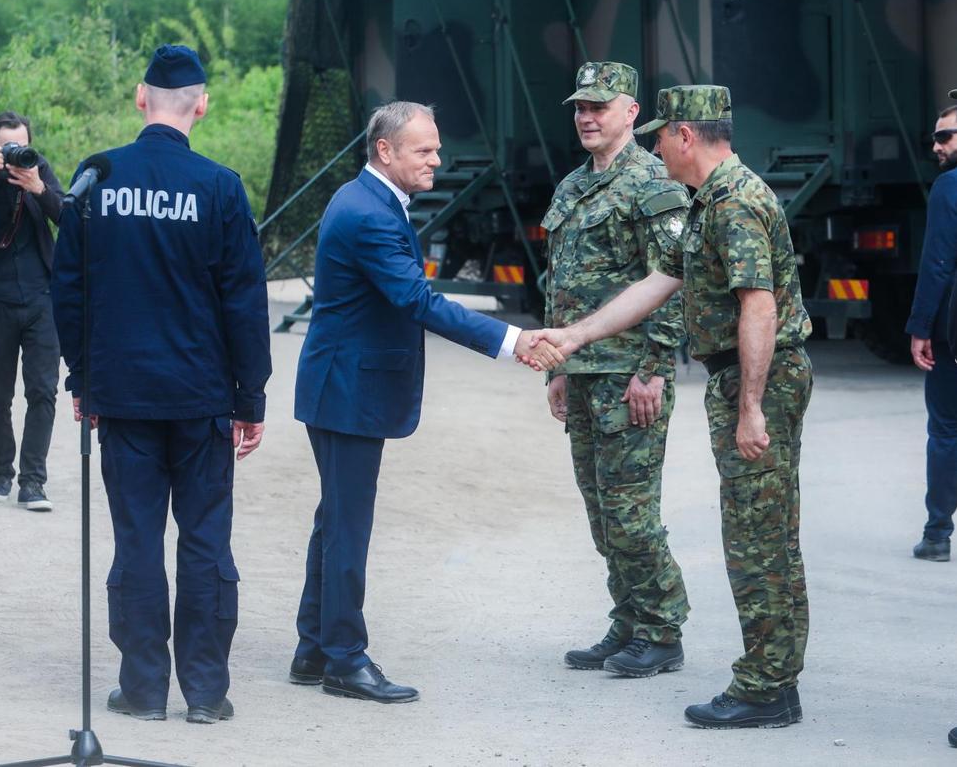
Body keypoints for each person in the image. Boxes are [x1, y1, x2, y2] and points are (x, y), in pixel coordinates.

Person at [529, 85, 812, 729]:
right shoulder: (711, 199)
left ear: (686, 135)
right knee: (753, 538)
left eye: (662, 135)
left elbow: (759, 306)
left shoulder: (736, 201)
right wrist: (574, 340)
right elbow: (661, 283)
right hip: (725, 376)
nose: (656, 147)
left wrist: (752, 407)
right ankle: (767, 679)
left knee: (759, 543)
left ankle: (767, 686)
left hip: (754, 380)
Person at [290, 100, 562, 704]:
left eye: (436, 148)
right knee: (347, 527)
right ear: (385, 150)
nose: (438, 159)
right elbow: (417, 301)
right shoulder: (370, 214)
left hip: (342, 385)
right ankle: (343, 658)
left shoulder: (368, 200)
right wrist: (512, 340)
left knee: (335, 520)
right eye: (425, 150)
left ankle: (314, 648)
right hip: (347, 391)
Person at [51, 45, 272, 724]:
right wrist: (250, 397)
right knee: (205, 540)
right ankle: (205, 693)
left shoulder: (98, 176)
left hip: (123, 394)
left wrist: (83, 379)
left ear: (141, 98)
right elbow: (244, 299)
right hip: (202, 396)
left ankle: (143, 690)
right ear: (201, 105)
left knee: (138, 539)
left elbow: (69, 289)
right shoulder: (221, 187)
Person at [544, 63, 691, 677]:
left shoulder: (651, 182)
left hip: (630, 373)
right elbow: (559, 284)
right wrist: (554, 365)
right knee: (601, 509)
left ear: (631, 113)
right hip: (580, 373)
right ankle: (628, 619)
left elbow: (676, 280)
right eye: (580, 107)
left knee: (631, 511)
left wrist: (654, 370)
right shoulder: (572, 187)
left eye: (599, 107)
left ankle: (662, 630)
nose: (586, 116)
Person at [0, 111, 62, 511]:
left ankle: (33, 481)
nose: (16, 152)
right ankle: (1, 472)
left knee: (44, 391)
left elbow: (70, 220)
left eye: (21, 143)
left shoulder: (36, 169)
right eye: (7, 147)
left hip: (42, 298)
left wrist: (39, 188)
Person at [907, 102, 957, 563]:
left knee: (946, 430)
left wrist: (920, 327)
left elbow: (938, 263)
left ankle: (938, 533)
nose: (936, 146)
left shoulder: (949, 186)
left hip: (952, 339)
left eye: (945, 137)